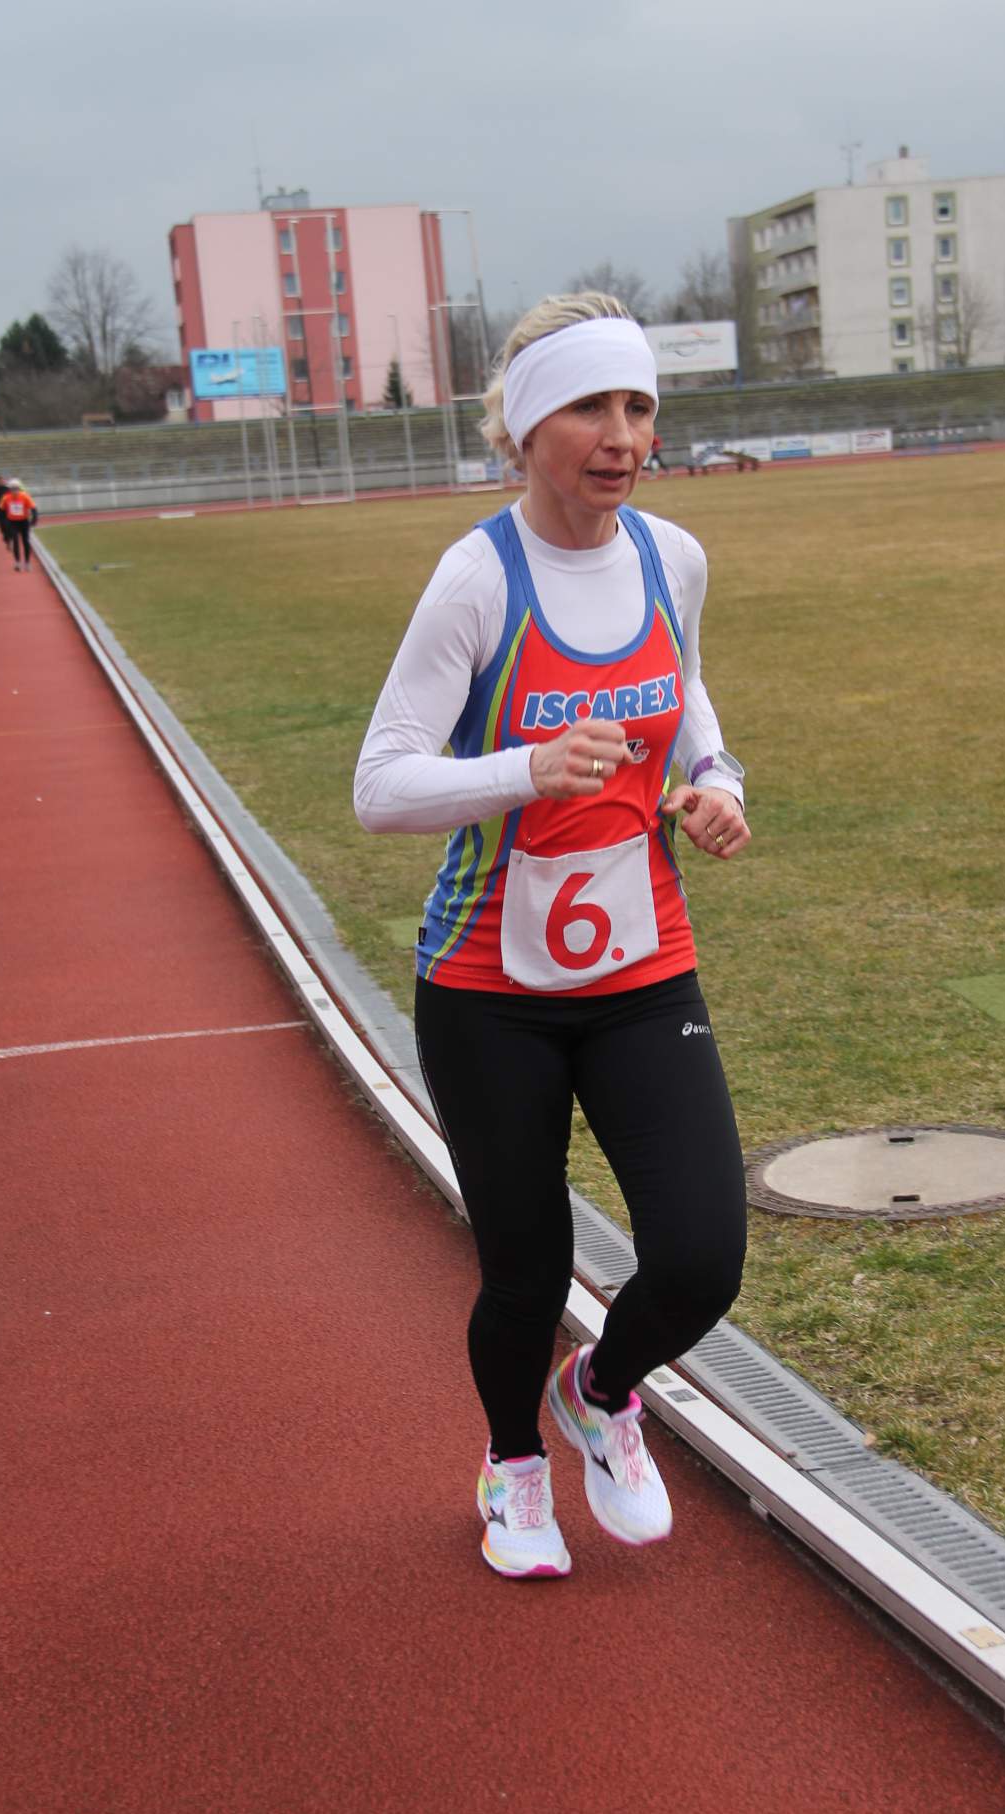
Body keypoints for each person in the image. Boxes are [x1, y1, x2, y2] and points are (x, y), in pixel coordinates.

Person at [355, 291, 751, 1580]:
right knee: (524, 1272)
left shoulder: (670, 558)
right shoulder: (478, 579)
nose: (620, 434)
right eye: (588, 407)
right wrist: (524, 770)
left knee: (700, 1254)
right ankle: (512, 1468)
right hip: (489, 989)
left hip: (644, 969)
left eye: (637, 405)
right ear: (524, 429)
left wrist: (714, 781)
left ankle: (599, 1391)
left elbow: (686, 693)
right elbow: (380, 785)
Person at [0, 477, 38, 572]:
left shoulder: (25, 496)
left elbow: (33, 508)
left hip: (24, 522)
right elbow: (1, 510)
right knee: (15, 541)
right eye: (13, 489)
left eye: (16, 488)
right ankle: (17, 562)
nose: (15, 491)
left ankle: (27, 563)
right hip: (12, 522)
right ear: (10, 489)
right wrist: (4, 521)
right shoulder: (6, 498)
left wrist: (34, 518)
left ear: (19, 488)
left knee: (26, 541)